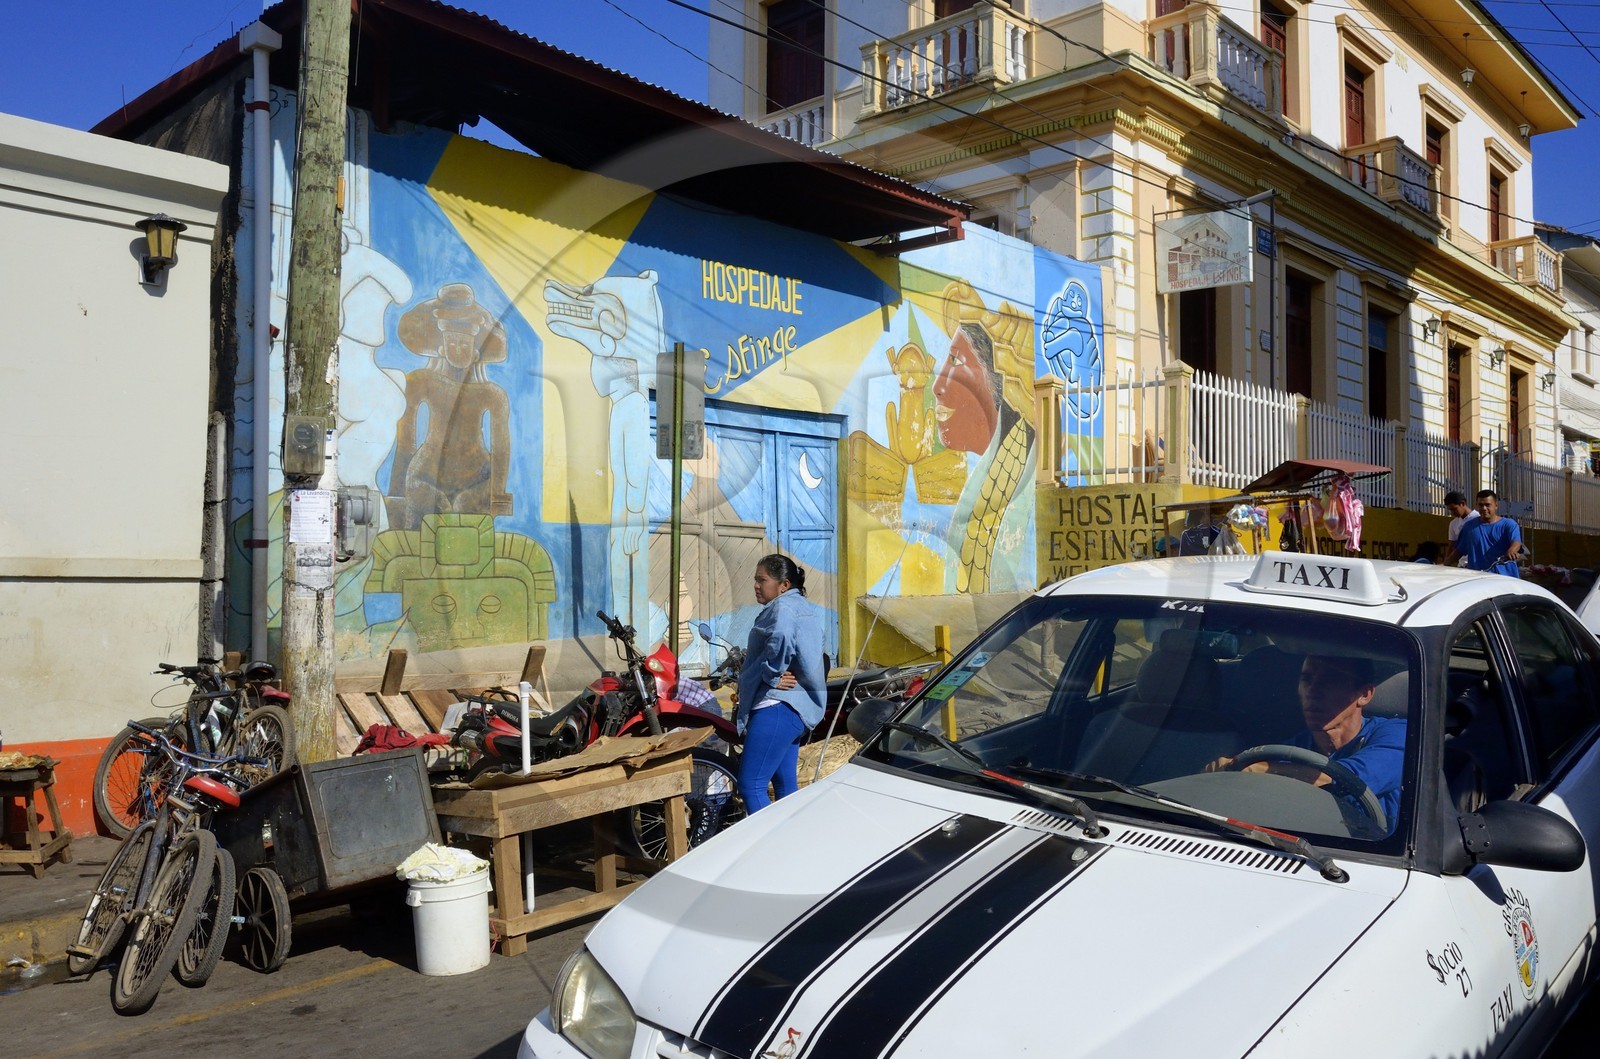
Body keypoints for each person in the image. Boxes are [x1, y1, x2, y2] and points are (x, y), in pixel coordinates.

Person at [1208, 656, 1405, 831]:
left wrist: (1254, 770)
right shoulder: (1290, 749)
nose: (1312, 691)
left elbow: (1348, 779)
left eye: (1329, 681)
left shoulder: (1395, 735)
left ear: (1364, 694)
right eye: (1306, 679)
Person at [736, 554, 827, 812]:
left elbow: (782, 635)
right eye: (755, 579)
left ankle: (767, 850)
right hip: (794, 710)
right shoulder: (803, 608)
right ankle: (793, 845)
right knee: (785, 787)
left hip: (776, 707)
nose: (756, 585)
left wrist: (772, 674)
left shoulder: (783, 608)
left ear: (784, 585)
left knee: (751, 785)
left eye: (762, 580)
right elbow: (819, 648)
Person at [1456, 489, 1522, 577]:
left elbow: (1516, 542)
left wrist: (1512, 551)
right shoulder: (1469, 527)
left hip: (1505, 578)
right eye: (1481, 505)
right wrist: (1442, 566)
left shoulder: (1509, 524)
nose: (1484, 508)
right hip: (1478, 579)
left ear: (1496, 506)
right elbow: (1458, 551)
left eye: (1487, 505)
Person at [1440, 490, 1479, 568]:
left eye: (1454, 509)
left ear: (1463, 504)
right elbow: (1452, 545)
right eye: (1450, 510)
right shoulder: (1453, 523)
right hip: (1462, 565)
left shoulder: (1478, 518)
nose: (1452, 512)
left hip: (1476, 564)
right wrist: (1446, 563)